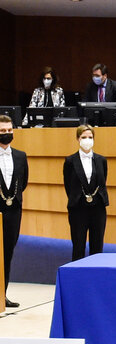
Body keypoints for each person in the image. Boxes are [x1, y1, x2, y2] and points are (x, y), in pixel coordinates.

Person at [62, 125, 109, 262]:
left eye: (90, 137)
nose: (87, 140)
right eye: (84, 137)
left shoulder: (101, 160)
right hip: (78, 208)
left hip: (98, 208)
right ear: (78, 139)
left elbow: (102, 180)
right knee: (78, 246)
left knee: (97, 246)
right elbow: (68, 185)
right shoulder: (70, 161)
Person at [0, 115, 27, 308]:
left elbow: (23, 182)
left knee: (7, 253)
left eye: (9, 130)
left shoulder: (20, 155)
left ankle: (3, 295)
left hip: (14, 210)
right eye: (3, 131)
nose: (7, 134)